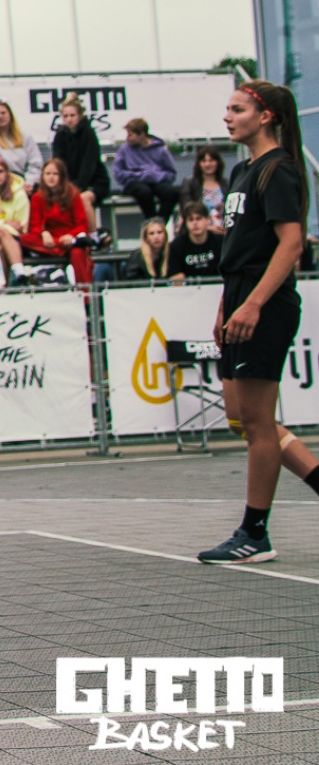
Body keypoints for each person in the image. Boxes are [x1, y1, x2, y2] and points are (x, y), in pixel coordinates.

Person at [197, 80, 310, 564]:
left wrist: (254, 304)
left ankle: (254, 533)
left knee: (258, 423)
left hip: (266, 301)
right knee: (239, 417)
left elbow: (291, 244)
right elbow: (239, 247)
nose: (228, 116)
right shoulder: (243, 170)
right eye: (228, 108)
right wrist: (228, 304)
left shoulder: (277, 170)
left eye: (237, 109)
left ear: (266, 117)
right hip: (240, 294)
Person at [21, 157, 96, 284]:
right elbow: (35, 225)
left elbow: (82, 224)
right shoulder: (37, 197)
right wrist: (43, 233)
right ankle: (61, 250)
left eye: (55, 174)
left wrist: (70, 236)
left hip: (71, 239)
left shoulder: (73, 195)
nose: (51, 177)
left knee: (78, 253)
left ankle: (85, 292)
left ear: (62, 176)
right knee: (24, 239)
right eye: (48, 174)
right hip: (51, 240)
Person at [113, 117, 181, 221]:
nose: (127, 138)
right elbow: (118, 172)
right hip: (134, 182)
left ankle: (161, 222)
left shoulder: (160, 150)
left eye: (130, 135)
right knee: (144, 192)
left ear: (142, 134)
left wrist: (157, 176)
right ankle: (150, 221)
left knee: (170, 193)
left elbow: (171, 173)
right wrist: (139, 175)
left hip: (157, 181)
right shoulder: (124, 150)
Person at [51, 96, 109, 213]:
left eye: (72, 115)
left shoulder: (89, 134)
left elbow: (89, 164)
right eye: (65, 116)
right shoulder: (60, 135)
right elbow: (58, 163)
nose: (69, 119)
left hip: (94, 181)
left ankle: (90, 226)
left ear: (80, 116)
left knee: (83, 199)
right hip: (68, 183)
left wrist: (76, 188)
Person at [0, 100, 47, 187]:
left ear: (10, 115)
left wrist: (29, 182)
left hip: (27, 185)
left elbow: (35, 163)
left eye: (3, 113)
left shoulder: (26, 137)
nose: (0, 116)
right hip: (2, 186)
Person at [169, 201, 224, 283]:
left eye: (199, 218)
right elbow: (175, 277)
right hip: (188, 289)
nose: (195, 223)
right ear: (185, 223)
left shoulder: (220, 242)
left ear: (208, 220)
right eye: (190, 220)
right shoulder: (176, 246)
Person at [182, 146, 231, 229]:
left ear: (218, 162)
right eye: (203, 161)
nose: (207, 164)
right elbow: (186, 209)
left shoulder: (227, 183)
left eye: (211, 160)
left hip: (224, 230)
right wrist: (208, 227)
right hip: (201, 232)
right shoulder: (190, 184)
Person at [128, 218, 173, 283]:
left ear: (165, 235)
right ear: (146, 238)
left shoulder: (172, 252)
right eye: (151, 233)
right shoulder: (137, 256)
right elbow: (132, 281)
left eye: (159, 232)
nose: (156, 237)